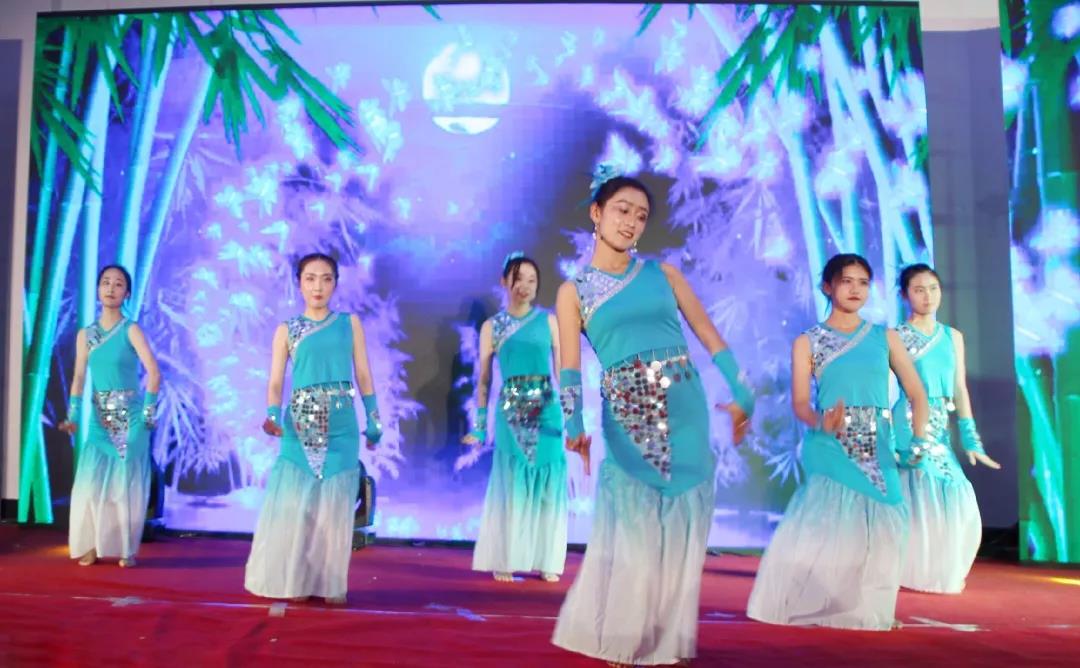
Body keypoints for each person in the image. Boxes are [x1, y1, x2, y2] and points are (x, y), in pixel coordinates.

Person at [552, 176, 754, 666]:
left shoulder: (663, 274)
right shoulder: (573, 292)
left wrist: (743, 393)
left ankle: (664, 639)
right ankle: (624, 637)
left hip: (686, 408)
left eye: (641, 216)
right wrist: (574, 425)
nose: (631, 222)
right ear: (597, 213)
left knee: (684, 524)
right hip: (627, 414)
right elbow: (570, 367)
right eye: (622, 210)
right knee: (635, 529)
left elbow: (709, 335)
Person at [746, 253, 929, 630]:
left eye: (863, 283)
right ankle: (820, 604)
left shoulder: (884, 337)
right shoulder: (808, 341)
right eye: (847, 281)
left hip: (878, 443)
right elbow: (800, 402)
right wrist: (820, 421)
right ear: (827, 287)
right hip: (830, 442)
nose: (856, 289)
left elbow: (916, 393)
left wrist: (918, 439)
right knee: (830, 523)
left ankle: (871, 609)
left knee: (887, 521)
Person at [244, 253, 381, 604]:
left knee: (334, 511)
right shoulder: (286, 329)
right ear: (299, 283)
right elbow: (276, 381)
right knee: (297, 509)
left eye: (326, 278)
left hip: (342, 425)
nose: (318, 286)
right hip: (300, 425)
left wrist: (374, 420)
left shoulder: (349, 324)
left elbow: (363, 375)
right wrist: (272, 414)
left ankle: (330, 583)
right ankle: (297, 581)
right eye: (310, 278)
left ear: (335, 283)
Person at [893, 263, 1000, 594]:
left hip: (940, 427)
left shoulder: (953, 337)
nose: (928, 296)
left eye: (933, 288)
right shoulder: (895, 337)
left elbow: (959, 387)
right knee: (921, 493)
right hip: (909, 421)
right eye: (919, 290)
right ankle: (914, 571)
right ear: (905, 295)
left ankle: (932, 570)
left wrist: (970, 438)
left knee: (956, 495)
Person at [464, 253, 567, 582]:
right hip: (511, 411)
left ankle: (547, 558)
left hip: (547, 409)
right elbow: (483, 381)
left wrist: (573, 414)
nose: (525, 286)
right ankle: (506, 556)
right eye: (518, 278)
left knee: (549, 482)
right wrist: (480, 427)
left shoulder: (549, 322)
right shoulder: (492, 326)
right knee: (513, 484)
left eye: (531, 280)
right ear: (504, 281)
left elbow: (562, 371)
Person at [60, 265, 161, 568]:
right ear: (97, 289)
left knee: (123, 486)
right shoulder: (86, 334)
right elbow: (79, 377)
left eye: (118, 284)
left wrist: (147, 414)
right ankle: (90, 544)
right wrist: (73, 414)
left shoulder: (131, 329)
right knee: (90, 484)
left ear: (127, 293)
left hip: (130, 417)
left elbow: (154, 373)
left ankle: (126, 548)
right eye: (105, 282)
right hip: (98, 418)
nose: (111, 288)